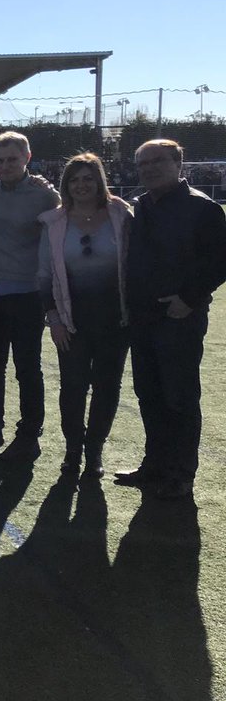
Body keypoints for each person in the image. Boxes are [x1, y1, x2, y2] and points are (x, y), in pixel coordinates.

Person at [115, 139, 226, 499]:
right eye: (143, 163)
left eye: (157, 161)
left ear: (179, 163)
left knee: (179, 397)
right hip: (141, 317)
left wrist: (189, 299)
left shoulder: (202, 207)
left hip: (179, 318)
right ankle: (155, 466)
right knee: (148, 394)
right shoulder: (140, 205)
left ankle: (181, 474)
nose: (149, 168)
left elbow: (219, 260)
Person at [38, 153, 132, 479]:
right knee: (73, 389)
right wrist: (54, 319)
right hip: (71, 322)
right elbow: (43, 276)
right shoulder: (53, 222)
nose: (81, 185)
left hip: (116, 322)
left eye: (88, 178)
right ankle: (72, 452)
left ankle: (94, 453)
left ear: (100, 181)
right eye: (75, 179)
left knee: (107, 388)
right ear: (66, 185)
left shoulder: (122, 214)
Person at [0, 131, 60, 459]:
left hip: (28, 293)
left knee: (27, 367)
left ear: (27, 158)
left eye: (12, 159)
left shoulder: (45, 195)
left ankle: (29, 434)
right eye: (0, 160)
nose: (5, 165)